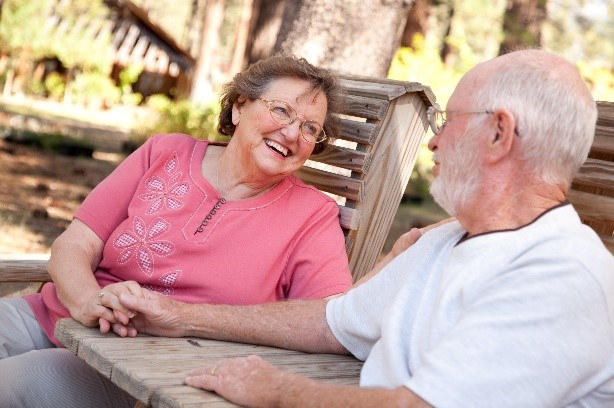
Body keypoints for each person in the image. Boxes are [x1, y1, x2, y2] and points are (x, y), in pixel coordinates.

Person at [116, 49, 614, 407]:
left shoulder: (561, 276)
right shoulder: (446, 240)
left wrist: (281, 392)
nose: (434, 143)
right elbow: (331, 322)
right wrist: (178, 316)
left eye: (449, 120)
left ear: (499, 133)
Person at [0, 55, 360, 407]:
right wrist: (86, 302)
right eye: (281, 110)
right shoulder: (165, 152)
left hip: (137, 363)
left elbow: (328, 322)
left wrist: (182, 317)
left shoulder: (312, 216)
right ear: (239, 106)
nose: (293, 132)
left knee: (10, 384)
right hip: (51, 314)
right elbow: (74, 244)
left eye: (310, 128)